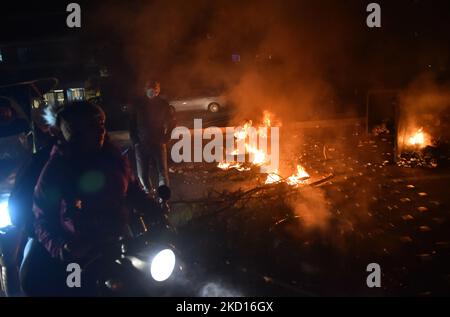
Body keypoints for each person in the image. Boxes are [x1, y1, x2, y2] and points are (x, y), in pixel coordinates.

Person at [19, 100, 163, 296]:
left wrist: (152, 207)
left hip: (117, 243)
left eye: (102, 124)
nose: (100, 130)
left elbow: (131, 189)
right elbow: (41, 217)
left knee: (139, 287)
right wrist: (61, 248)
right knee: (78, 289)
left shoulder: (114, 159)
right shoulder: (57, 169)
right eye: (92, 126)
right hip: (78, 255)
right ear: (75, 131)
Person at [129, 80, 176, 196]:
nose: (153, 91)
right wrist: (135, 141)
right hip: (141, 143)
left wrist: (167, 137)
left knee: (162, 173)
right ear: (146, 90)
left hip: (158, 143)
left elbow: (172, 122)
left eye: (155, 89)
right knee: (142, 174)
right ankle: (149, 193)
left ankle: (163, 199)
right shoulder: (138, 105)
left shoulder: (163, 104)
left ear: (158, 90)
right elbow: (131, 124)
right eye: (150, 88)